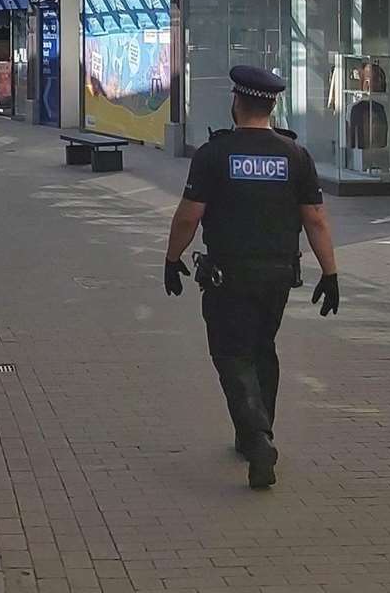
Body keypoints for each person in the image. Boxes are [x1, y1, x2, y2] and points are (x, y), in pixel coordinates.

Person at [164, 65, 340, 490]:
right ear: (272, 104)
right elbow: (315, 219)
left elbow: (190, 215)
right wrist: (331, 273)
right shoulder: (295, 156)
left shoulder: (214, 154)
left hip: (229, 277)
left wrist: (172, 259)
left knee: (232, 354)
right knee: (263, 349)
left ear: (236, 103)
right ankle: (254, 435)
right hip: (279, 276)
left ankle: (257, 437)